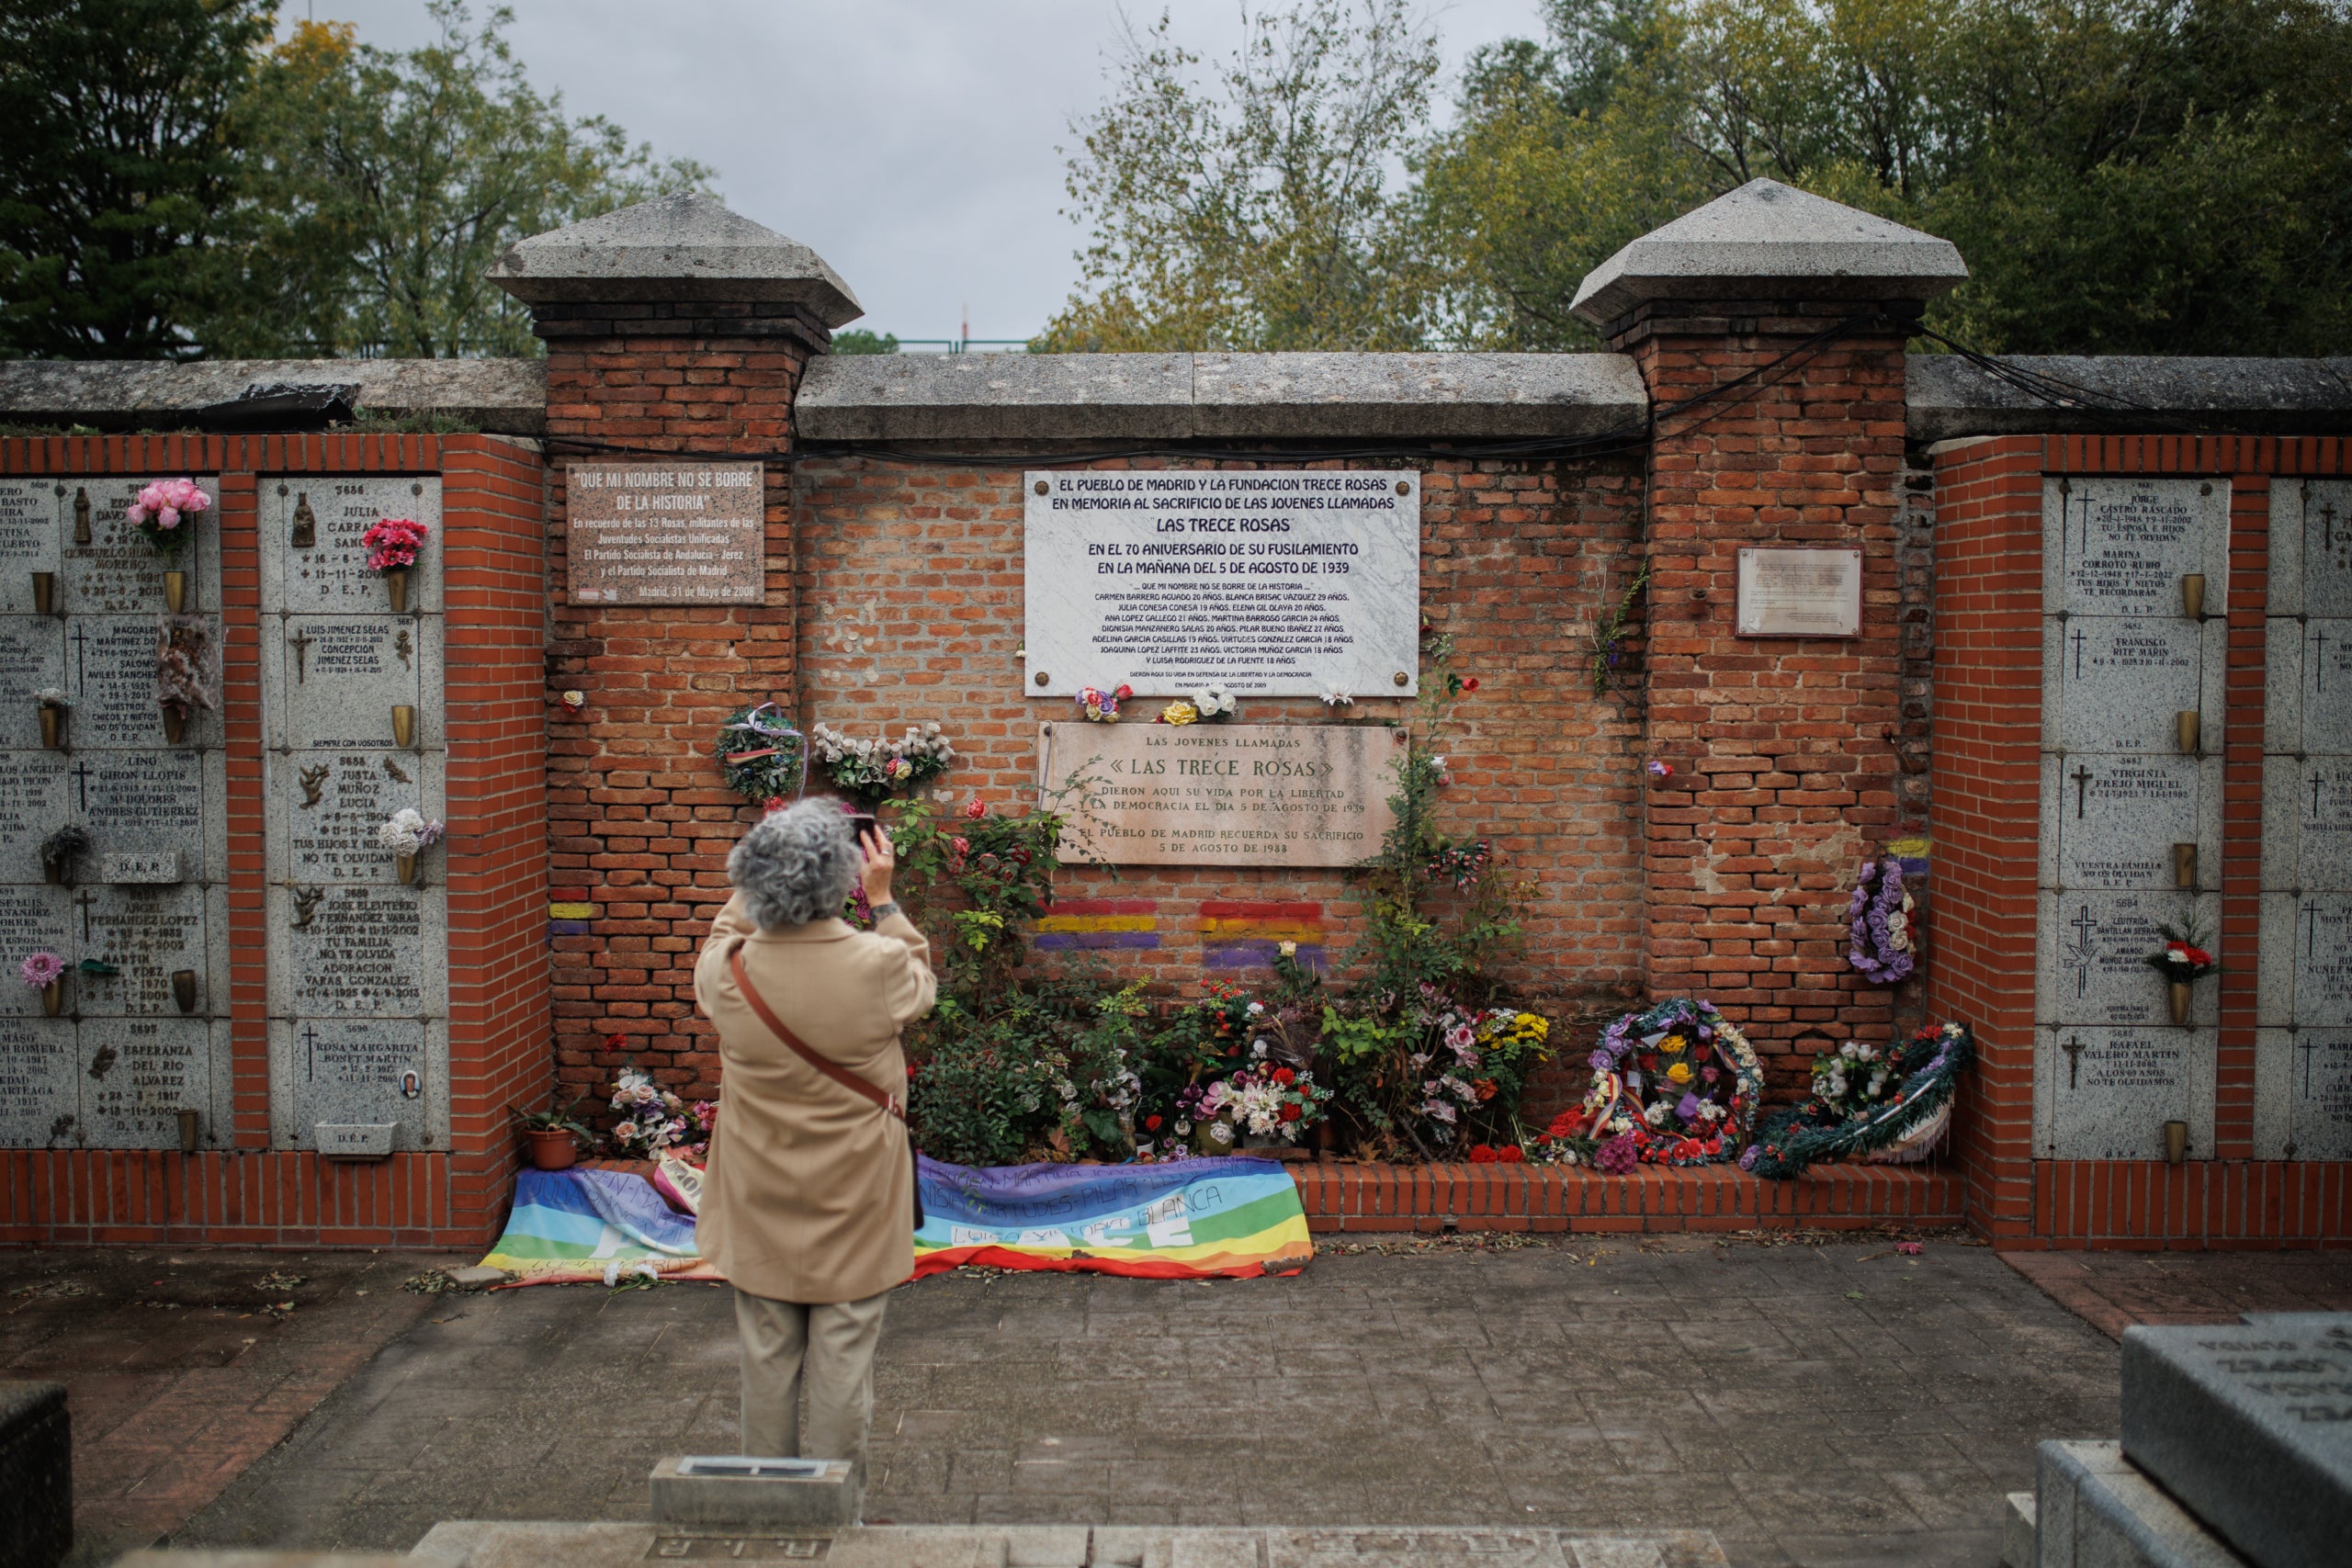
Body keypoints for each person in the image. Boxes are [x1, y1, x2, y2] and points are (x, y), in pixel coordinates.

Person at [693, 799, 935, 1497]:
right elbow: (921, 979)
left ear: (755, 877)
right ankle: (835, 1509)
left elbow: (721, 931)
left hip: (758, 1194)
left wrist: (763, 873)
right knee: (843, 1361)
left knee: (765, 1360)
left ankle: (767, 1504)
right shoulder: (878, 963)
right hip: (857, 1196)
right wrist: (884, 900)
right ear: (847, 879)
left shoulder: (727, 972)